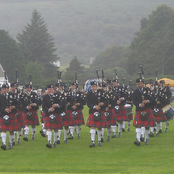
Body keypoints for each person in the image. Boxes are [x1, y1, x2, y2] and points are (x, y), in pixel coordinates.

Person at [133, 78, 156, 146]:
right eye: (137, 84)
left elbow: (153, 99)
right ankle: (138, 140)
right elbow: (134, 101)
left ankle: (146, 139)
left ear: (143, 83)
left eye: (139, 84)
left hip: (147, 109)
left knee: (147, 126)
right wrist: (140, 104)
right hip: (139, 110)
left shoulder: (148, 90)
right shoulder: (135, 91)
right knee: (138, 125)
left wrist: (147, 101)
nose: (138, 85)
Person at [86, 80, 107, 147]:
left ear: (97, 86)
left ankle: (99, 141)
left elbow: (106, 101)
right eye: (92, 86)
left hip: (100, 110)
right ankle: (93, 142)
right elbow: (88, 104)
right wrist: (94, 106)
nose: (93, 88)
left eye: (94, 86)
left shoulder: (101, 92)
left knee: (100, 127)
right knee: (93, 127)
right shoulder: (89, 93)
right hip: (93, 111)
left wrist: (103, 103)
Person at [42, 84, 63, 148]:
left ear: (53, 89)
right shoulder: (45, 97)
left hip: (56, 113)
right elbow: (43, 107)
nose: (50, 91)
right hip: (48, 114)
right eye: (48, 89)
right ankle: (49, 142)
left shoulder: (58, 95)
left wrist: (57, 105)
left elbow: (62, 103)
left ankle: (54, 142)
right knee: (49, 128)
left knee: (56, 129)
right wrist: (49, 109)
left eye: (51, 89)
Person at [0, 83, 19, 150]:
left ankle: (10, 143)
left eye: (6, 89)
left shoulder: (13, 95)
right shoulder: (0, 96)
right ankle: (4, 143)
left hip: (12, 114)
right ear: (2, 90)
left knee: (11, 130)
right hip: (3, 114)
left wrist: (14, 107)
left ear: (8, 89)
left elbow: (18, 104)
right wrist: (5, 109)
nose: (5, 90)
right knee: (3, 130)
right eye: (3, 89)